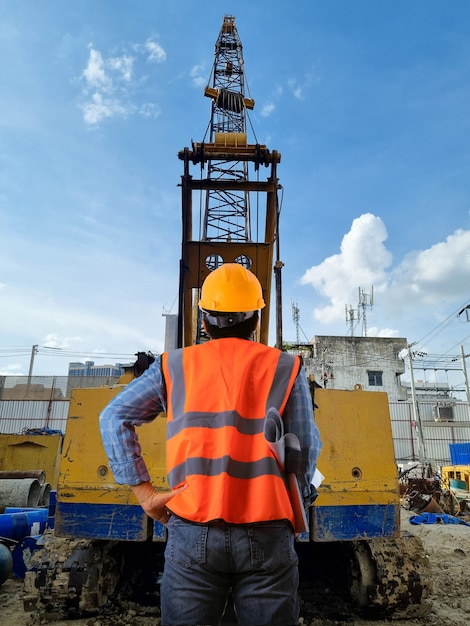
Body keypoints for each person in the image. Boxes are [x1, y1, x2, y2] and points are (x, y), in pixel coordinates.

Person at [100, 263, 322, 626]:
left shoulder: (173, 367)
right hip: (268, 529)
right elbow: (303, 448)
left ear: (204, 321)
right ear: (256, 321)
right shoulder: (286, 367)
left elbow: (113, 417)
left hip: (191, 527)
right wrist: (297, 500)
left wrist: (145, 495)